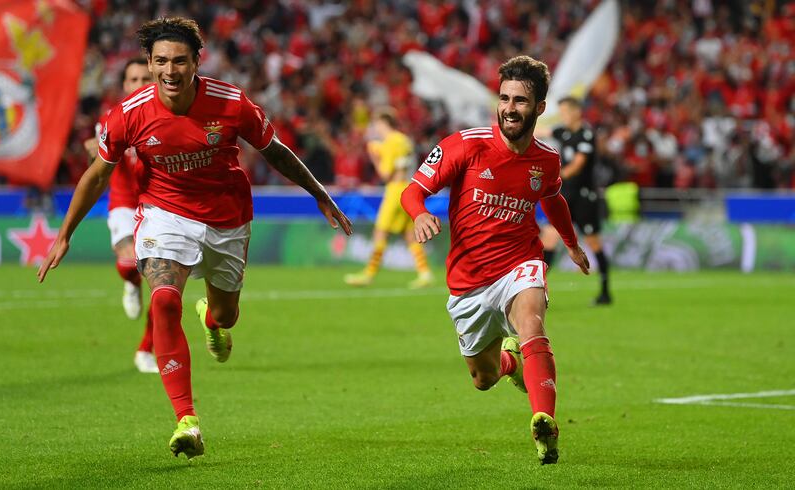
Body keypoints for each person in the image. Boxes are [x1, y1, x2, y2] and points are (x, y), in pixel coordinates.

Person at [38, 17, 352, 460]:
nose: (170, 70)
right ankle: (187, 420)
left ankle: (212, 320)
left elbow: (275, 150)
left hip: (227, 216)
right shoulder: (129, 113)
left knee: (227, 315)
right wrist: (64, 234)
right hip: (165, 214)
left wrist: (319, 194)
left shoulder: (231, 102)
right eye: (161, 61)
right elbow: (97, 174)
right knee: (165, 300)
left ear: (196, 63)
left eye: (180, 61)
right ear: (149, 63)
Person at [400, 55, 590, 465]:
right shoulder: (463, 145)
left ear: (539, 107)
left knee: (532, 323)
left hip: (520, 261)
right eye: (504, 98)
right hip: (468, 279)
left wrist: (571, 244)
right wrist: (419, 213)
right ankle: (510, 363)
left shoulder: (546, 160)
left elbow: (552, 199)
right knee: (483, 379)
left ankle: (545, 422)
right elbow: (412, 191)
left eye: (520, 101)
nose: (509, 107)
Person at [83, 57, 157, 374]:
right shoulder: (114, 118)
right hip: (126, 201)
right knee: (129, 264)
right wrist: (100, 148)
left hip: (160, 203)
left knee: (164, 285)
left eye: (145, 79)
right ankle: (130, 282)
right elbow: (104, 154)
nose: (139, 85)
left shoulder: (169, 115)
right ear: (124, 85)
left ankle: (146, 350)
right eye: (133, 80)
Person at [344, 108, 433, 289]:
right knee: (409, 235)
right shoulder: (404, 140)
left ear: (384, 124)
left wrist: (374, 157)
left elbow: (385, 174)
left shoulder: (391, 142)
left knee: (380, 231)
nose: (376, 129)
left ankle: (368, 274)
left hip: (394, 191)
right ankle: (425, 273)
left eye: (377, 124)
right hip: (409, 189)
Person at [540, 96, 612, 305]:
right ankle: (538, 289)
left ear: (576, 112)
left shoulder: (586, 135)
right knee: (549, 238)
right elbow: (541, 132)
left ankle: (605, 292)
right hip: (565, 195)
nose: (562, 116)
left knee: (593, 242)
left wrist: (554, 176)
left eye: (564, 112)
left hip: (584, 197)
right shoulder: (563, 132)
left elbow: (577, 165)